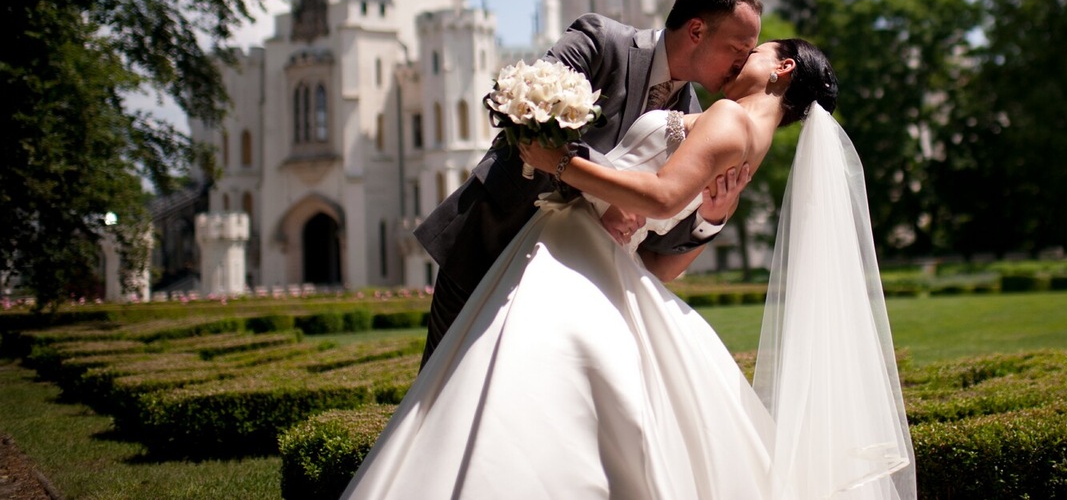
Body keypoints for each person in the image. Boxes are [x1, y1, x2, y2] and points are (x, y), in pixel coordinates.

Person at [343, 39, 916, 499]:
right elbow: (664, 264)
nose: (744, 59)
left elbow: (663, 199)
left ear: (782, 68)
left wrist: (560, 161)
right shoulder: (753, 143)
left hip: (576, 246)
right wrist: (709, 220)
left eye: (758, 52)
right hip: (599, 251)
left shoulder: (729, 119)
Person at [413, 0, 764, 364]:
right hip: (492, 240)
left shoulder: (697, 121)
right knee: (440, 392)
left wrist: (710, 219)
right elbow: (523, 111)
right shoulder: (601, 40)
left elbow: (657, 247)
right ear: (697, 30)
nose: (742, 64)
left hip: (576, 289)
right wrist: (609, 192)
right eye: (738, 48)